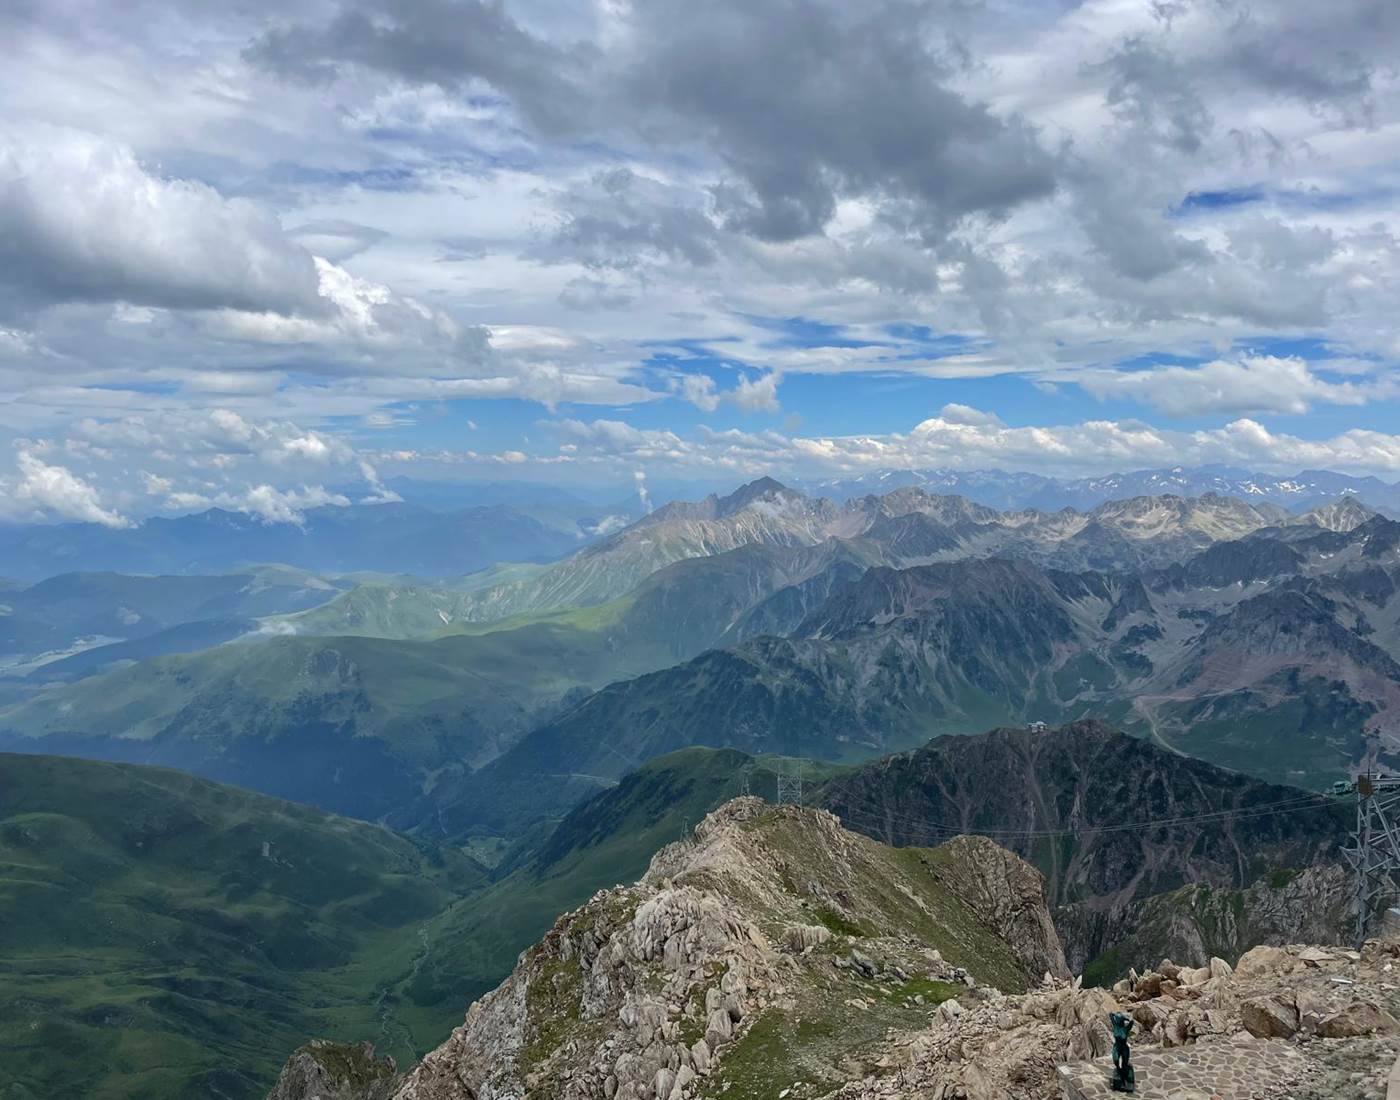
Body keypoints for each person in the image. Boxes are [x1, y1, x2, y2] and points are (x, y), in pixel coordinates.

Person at [1109, 1011, 1136, 1093]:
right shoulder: (1115, 1025)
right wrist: (1115, 1015)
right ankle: (1119, 1074)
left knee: (1124, 1064)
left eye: (1118, 1019)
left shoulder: (1126, 1028)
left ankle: (1124, 1078)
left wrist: (1126, 1018)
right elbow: (1110, 1015)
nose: (1117, 1021)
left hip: (1124, 1047)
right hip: (1117, 1047)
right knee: (1116, 1061)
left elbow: (1132, 1022)